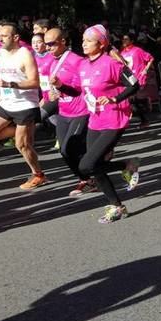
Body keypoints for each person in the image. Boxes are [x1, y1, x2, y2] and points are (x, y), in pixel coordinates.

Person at [53, 25, 140, 223]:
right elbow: (78, 92)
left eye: (88, 40)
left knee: (87, 164)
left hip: (114, 119)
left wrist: (115, 99)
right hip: (95, 119)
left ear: (101, 44)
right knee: (91, 166)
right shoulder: (83, 65)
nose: (83, 43)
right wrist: (61, 86)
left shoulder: (112, 64)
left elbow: (135, 84)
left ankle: (120, 189)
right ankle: (120, 196)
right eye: (82, 40)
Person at [0, 22, 46, 190]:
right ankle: (20, 134)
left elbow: (34, 82)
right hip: (7, 102)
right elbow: (2, 74)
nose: (0, 38)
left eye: (4, 35)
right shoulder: (1, 53)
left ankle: (38, 174)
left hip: (25, 105)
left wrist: (9, 84)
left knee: (22, 145)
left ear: (15, 37)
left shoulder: (25, 55)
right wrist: (2, 92)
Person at [44, 28, 95, 196]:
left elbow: (81, 88)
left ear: (63, 41)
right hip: (63, 111)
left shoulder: (77, 61)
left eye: (52, 44)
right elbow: (55, 88)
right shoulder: (53, 61)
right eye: (46, 44)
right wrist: (54, 93)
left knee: (68, 149)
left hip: (80, 110)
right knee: (64, 152)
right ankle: (87, 178)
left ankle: (88, 179)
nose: (48, 48)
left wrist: (61, 86)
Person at [121, 32, 155, 128]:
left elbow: (151, 58)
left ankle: (144, 119)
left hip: (138, 78)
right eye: (123, 39)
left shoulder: (137, 50)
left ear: (132, 41)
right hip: (129, 80)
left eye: (126, 39)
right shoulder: (122, 53)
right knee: (133, 100)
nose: (124, 41)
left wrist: (145, 70)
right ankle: (145, 105)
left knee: (134, 100)